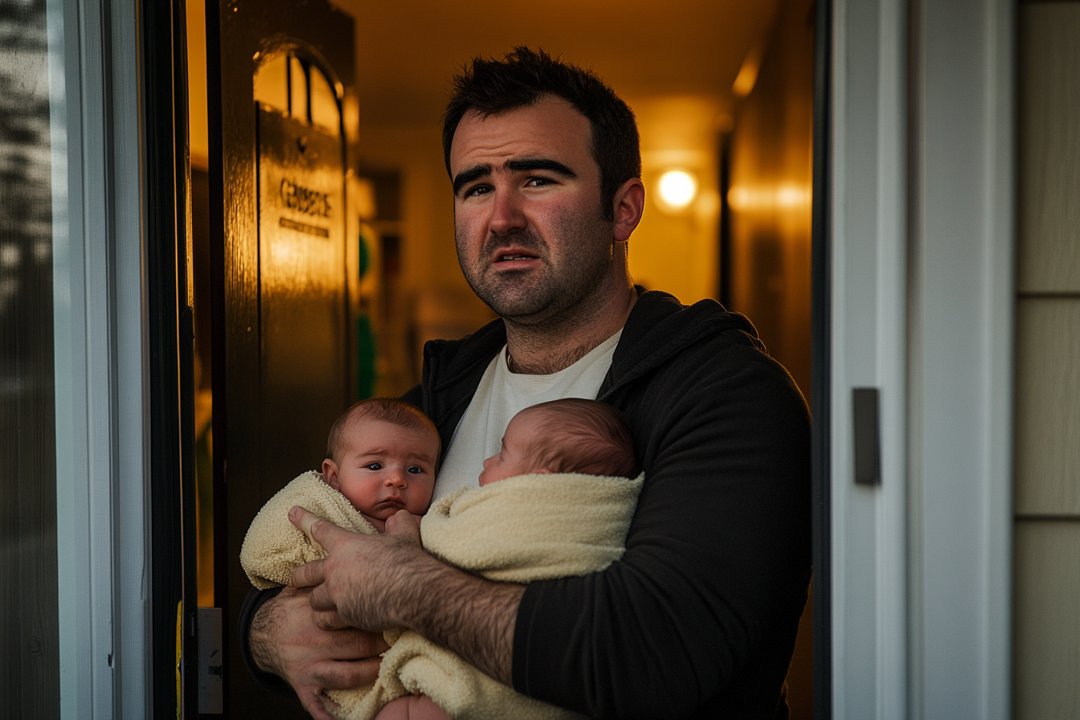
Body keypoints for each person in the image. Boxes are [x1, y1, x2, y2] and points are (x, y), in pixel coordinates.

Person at [241, 46, 811, 719]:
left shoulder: (728, 397)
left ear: (623, 210)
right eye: (476, 186)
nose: (501, 216)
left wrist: (410, 588)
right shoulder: (434, 402)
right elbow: (315, 543)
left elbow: (653, 653)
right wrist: (265, 633)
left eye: (537, 180)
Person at [242, 397, 643, 720]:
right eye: (376, 466)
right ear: (332, 475)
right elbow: (273, 567)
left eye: (416, 469)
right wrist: (265, 632)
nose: (397, 479)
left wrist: (409, 572)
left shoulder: (661, 404)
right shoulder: (437, 392)